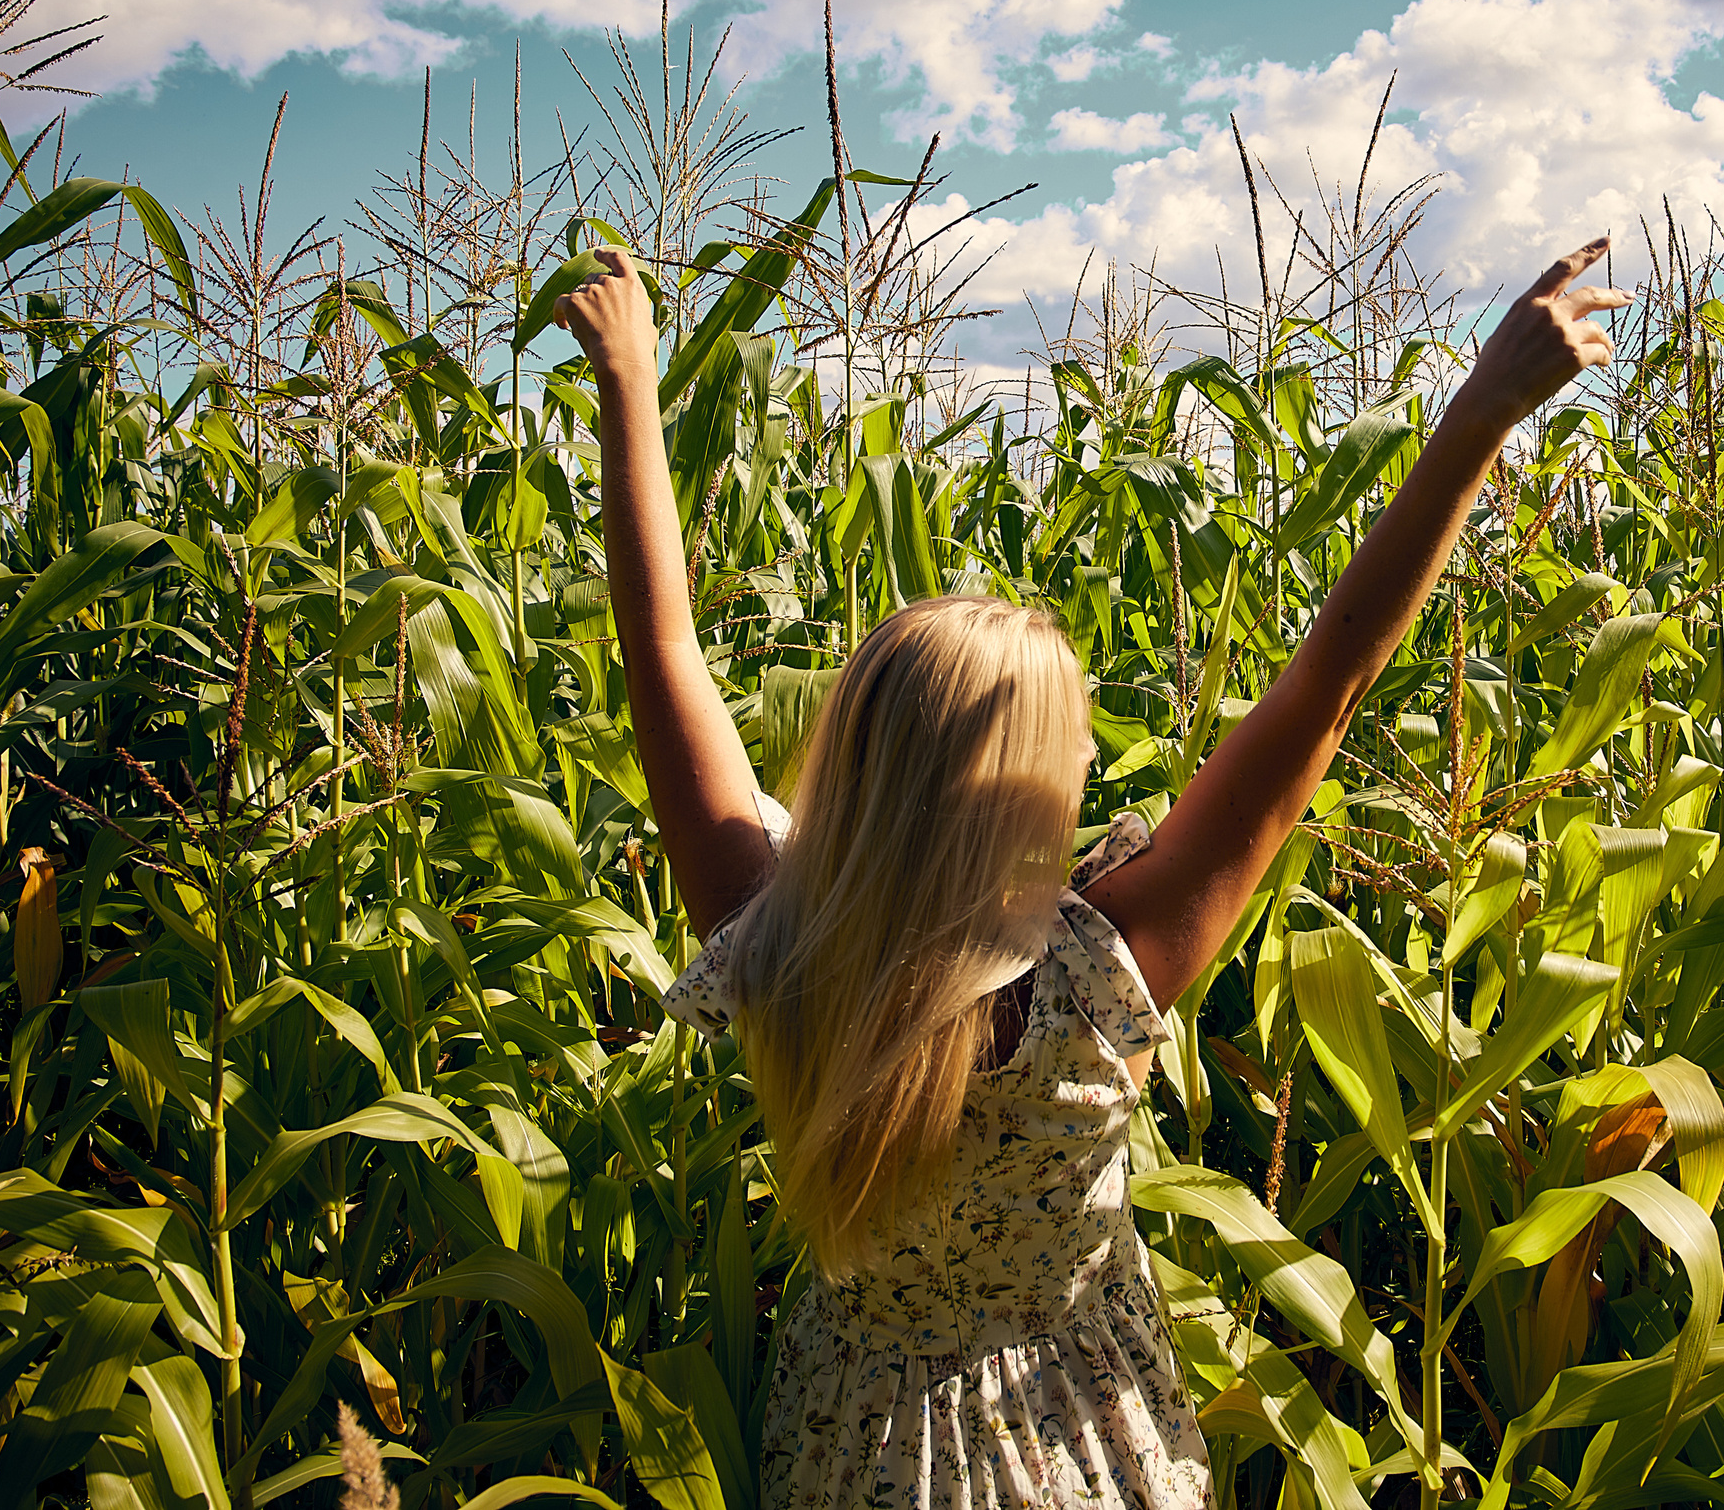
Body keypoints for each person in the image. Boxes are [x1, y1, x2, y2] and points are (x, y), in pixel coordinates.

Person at [557, 237, 1629, 1509]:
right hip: (1071, 1434)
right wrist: (1483, 412)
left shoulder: (773, 938)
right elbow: (1326, 686)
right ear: (1024, 786)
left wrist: (631, 386)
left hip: (848, 1438)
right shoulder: (1101, 968)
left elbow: (660, 641)